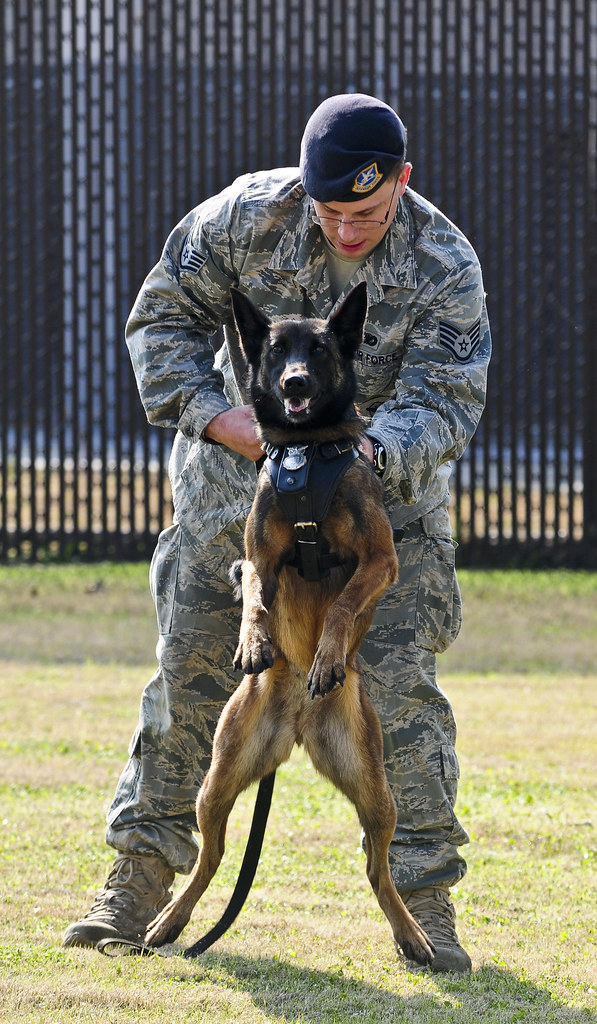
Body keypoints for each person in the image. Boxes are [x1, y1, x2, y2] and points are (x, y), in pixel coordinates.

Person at [63, 93, 491, 972]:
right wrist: (225, 422)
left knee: (401, 694)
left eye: (367, 214)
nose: (346, 230)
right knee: (189, 675)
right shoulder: (241, 218)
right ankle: (137, 878)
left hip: (378, 507)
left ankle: (422, 897)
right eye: (330, 212)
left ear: (402, 182)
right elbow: (160, 321)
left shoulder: (443, 260)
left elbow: (446, 395)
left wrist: (362, 455)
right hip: (237, 496)